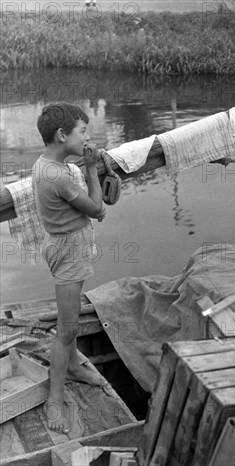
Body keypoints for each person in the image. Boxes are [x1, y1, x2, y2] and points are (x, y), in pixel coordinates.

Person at [33, 103, 107, 434]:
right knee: (67, 330)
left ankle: (76, 366)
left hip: (64, 246)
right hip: (68, 251)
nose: (88, 136)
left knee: (72, 318)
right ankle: (55, 399)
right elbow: (96, 209)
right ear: (62, 135)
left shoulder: (46, 164)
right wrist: (91, 168)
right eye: (82, 131)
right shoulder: (59, 176)